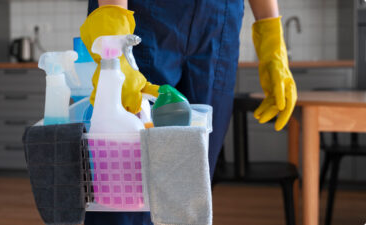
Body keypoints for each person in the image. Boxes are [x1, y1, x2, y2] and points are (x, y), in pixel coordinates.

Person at [81, 0, 297, 224]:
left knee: (192, 190)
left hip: (219, 21)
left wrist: (271, 35)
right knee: (125, 192)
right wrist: (114, 33)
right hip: (142, 17)